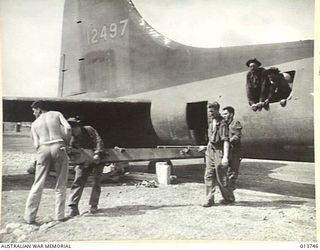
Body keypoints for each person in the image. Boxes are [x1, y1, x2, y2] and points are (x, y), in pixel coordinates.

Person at [24, 101, 71, 224]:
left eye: (34, 110)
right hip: (58, 145)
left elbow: (35, 144)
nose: (33, 113)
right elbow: (68, 128)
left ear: (39, 109)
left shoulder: (35, 124)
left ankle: (29, 217)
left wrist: (41, 152)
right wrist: (66, 143)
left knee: (38, 182)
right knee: (61, 181)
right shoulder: (56, 114)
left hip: (43, 148)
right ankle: (59, 215)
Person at [67, 117, 105, 217]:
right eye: (70, 130)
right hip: (83, 161)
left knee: (97, 181)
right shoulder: (70, 138)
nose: (73, 132)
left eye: (74, 129)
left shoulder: (89, 129)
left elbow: (98, 141)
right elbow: (71, 152)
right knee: (78, 180)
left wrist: (97, 153)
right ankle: (73, 206)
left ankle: (94, 205)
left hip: (98, 158)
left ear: (78, 127)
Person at [202, 101, 235, 207]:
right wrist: (206, 147)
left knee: (221, 176)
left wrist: (225, 157)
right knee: (209, 175)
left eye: (212, 111)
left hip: (219, 150)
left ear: (217, 110)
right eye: (209, 111)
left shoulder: (222, 123)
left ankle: (228, 197)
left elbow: (226, 140)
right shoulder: (211, 122)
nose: (210, 114)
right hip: (210, 150)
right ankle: (209, 199)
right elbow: (210, 139)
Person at [222, 106, 242, 190]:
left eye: (226, 114)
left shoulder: (235, 123)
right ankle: (227, 188)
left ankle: (230, 189)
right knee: (225, 170)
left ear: (231, 114)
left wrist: (228, 141)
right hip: (227, 150)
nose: (224, 116)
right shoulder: (224, 124)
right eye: (223, 114)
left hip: (234, 151)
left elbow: (237, 135)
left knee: (232, 171)